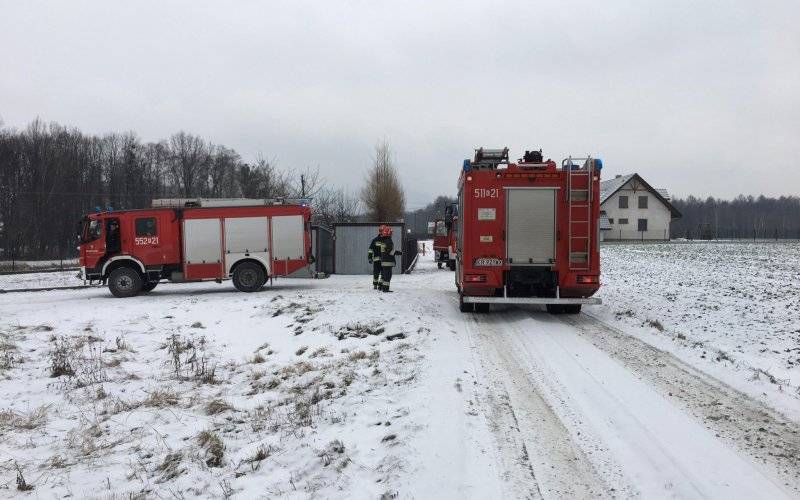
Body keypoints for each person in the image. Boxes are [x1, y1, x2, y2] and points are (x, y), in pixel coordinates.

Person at [376, 225, 402, 292]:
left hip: (384, 260)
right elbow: (390, 251)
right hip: (388, 261)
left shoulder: (383, 241)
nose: (391, 234)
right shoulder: (388, 241)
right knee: (388, 276)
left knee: (384, 275)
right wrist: (400, 253)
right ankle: (385, 289)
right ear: (388, 233)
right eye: (391, 232)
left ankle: (380, 286)